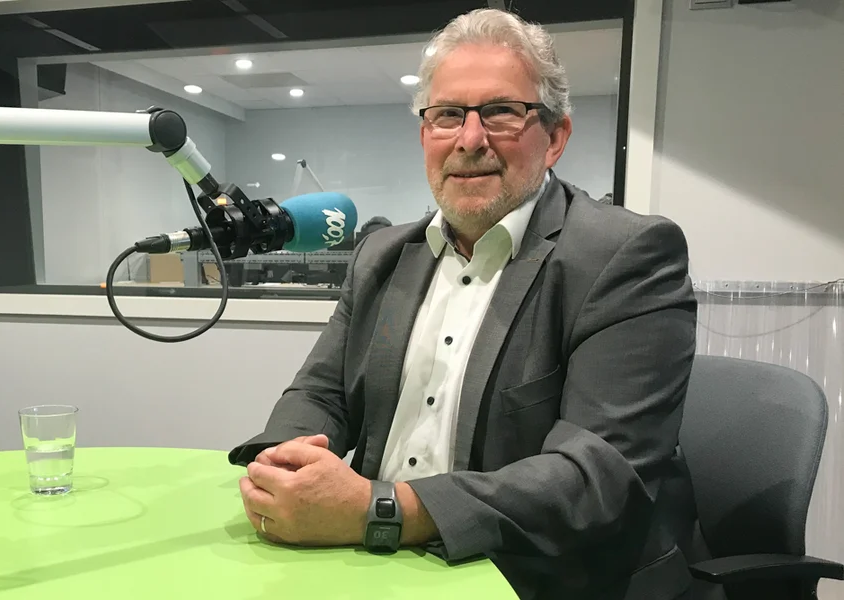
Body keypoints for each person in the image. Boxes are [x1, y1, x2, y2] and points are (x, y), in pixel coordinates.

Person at [229, 8, 711, 600]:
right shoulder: (382, 255)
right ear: (425, 136)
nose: (470, 139)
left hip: (542, 577)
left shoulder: (625, 256)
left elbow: (596, 476)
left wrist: (381, 508)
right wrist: (287, 464)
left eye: (501, 112)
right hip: (379, 567)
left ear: (555, 137)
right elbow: (321, 393)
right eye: (448, 115)